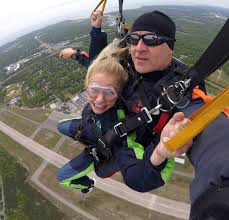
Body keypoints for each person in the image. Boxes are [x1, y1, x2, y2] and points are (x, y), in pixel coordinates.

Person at [60, 9, 229, 218]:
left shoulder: (182, 92)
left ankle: (86, 181)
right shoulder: (126, 63)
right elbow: (99, 65)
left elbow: (212, 129)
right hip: (95, 120)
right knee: (62, 126)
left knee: (73, 174)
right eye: (134, 39)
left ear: (170, 46)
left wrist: (218, 194)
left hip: (123, 143)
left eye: (151, 40)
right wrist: (94, 31)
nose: (139, 48)